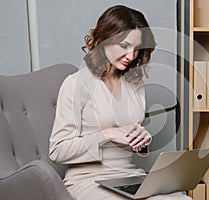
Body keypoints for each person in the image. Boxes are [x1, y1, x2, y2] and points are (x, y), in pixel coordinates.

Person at [49, 5, 192, 200]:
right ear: (104, 40)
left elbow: (128, 139)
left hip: (128, 176)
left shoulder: (136, 84)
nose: (131, 56)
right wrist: (105, 134)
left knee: (182, 198)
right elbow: (57, 151)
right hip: (87, 180)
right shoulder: (76, 83)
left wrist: (142, 142)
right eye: (124, 46)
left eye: (137, 48)